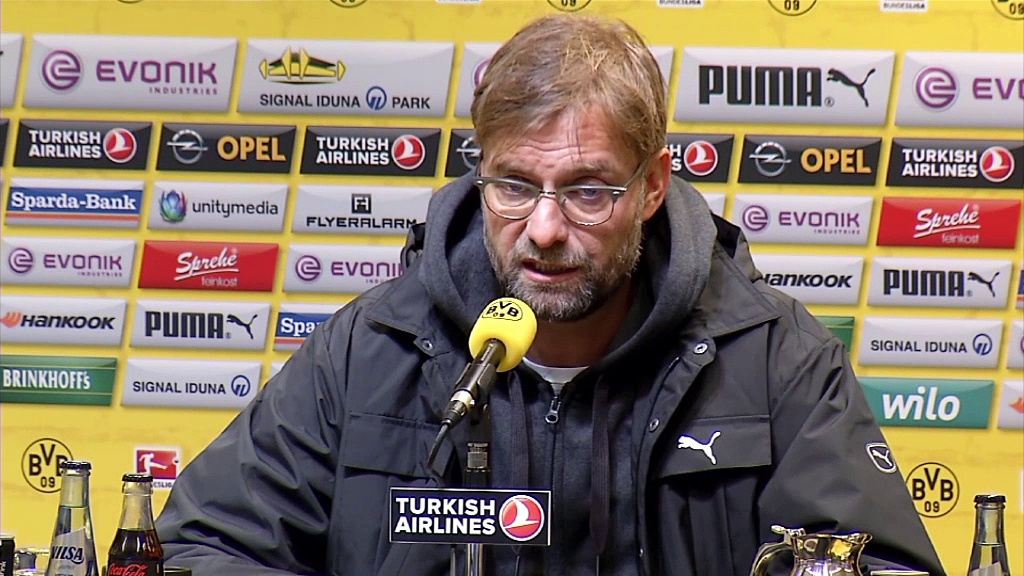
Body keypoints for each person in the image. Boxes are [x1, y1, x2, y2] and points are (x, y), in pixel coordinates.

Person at [156, 13, 947, 576]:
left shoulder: (773, 359)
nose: (542, 229)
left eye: (587, 191)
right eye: (513, 185)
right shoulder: (369, 351)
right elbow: (203, 548)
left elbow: (878, 562)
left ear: (652, 186)